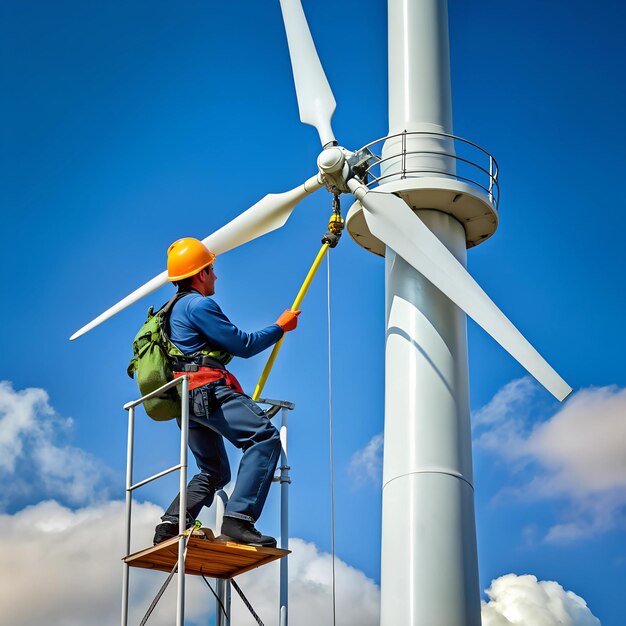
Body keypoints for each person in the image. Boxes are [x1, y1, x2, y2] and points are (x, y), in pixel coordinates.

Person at [153, 237, 300, 547]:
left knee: (215, 471)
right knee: (263, 437)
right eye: (211, 269)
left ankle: (171, 523)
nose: (216, 276)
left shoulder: (169, 312)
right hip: (207, 392)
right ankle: (238, 521)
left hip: (185, 402)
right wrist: (280, 327)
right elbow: (243, 345)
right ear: (200, 273)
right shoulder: (198, 304)